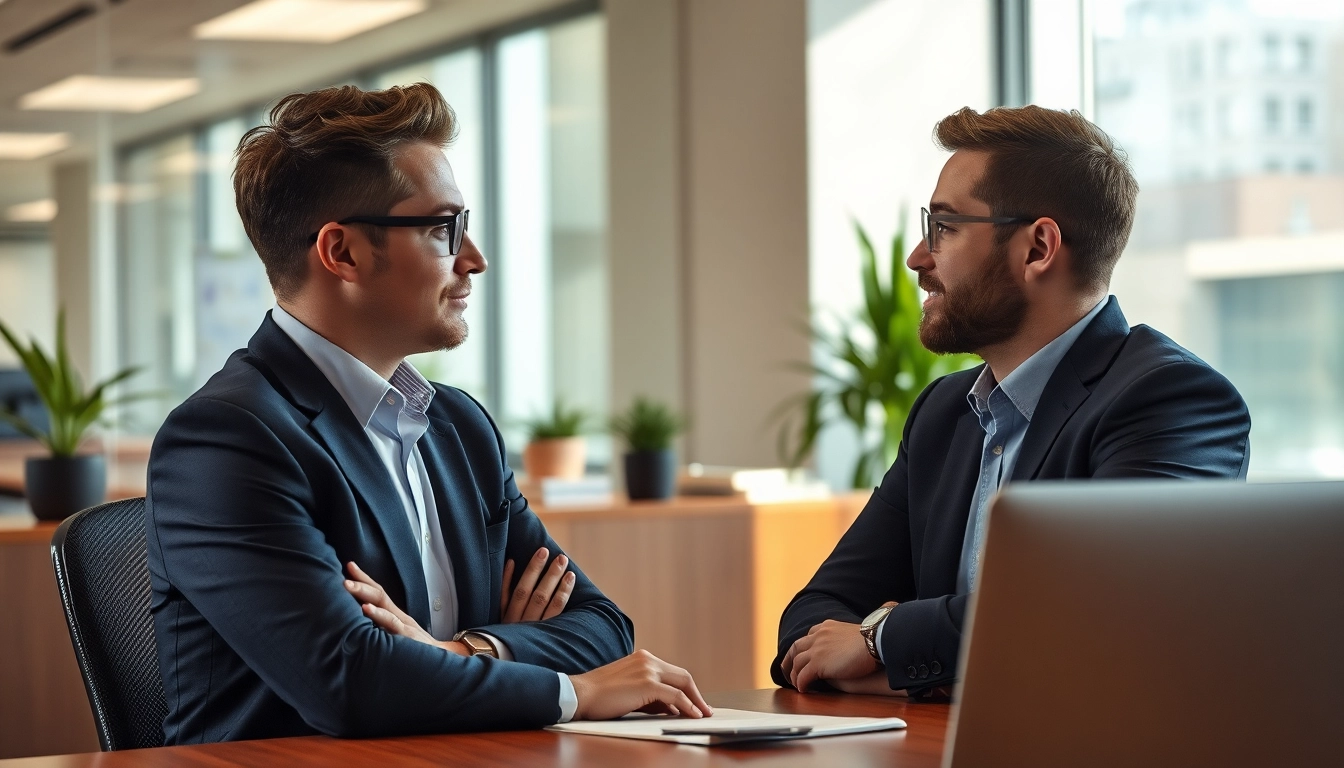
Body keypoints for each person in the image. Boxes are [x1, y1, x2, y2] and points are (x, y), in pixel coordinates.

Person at [147, 83, 710, 744]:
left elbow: (600, 624)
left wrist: (460, 653)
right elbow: (352, 683)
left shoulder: (460, 429)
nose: (475, 259)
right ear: (343, 252)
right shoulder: (227, 439)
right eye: (444, 229)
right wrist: (574, 692)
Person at [772, 105, 1251, 698]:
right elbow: (813, 620)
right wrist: (921, 658)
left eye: (943, 228)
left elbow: (1099, 611)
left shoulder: (1171, 400)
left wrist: (878, 642)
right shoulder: (944, 415)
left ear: (1038, 248)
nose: (918, 259)